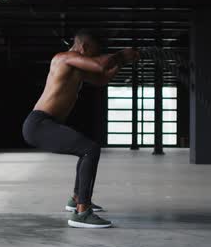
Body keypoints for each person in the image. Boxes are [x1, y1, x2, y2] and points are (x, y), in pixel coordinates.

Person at [22, 29, 139, 228]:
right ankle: (82, 212)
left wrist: (122, 62)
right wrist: (121, 54)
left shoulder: (76, 69)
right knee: (90, 149)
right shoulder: (63, 58)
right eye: (93, 51)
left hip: (46, 123)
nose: (95, 55)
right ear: (83, 47)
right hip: (39, 124)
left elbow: (102, 77)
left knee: (86, 150)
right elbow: (100, 64)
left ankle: (77, 199)